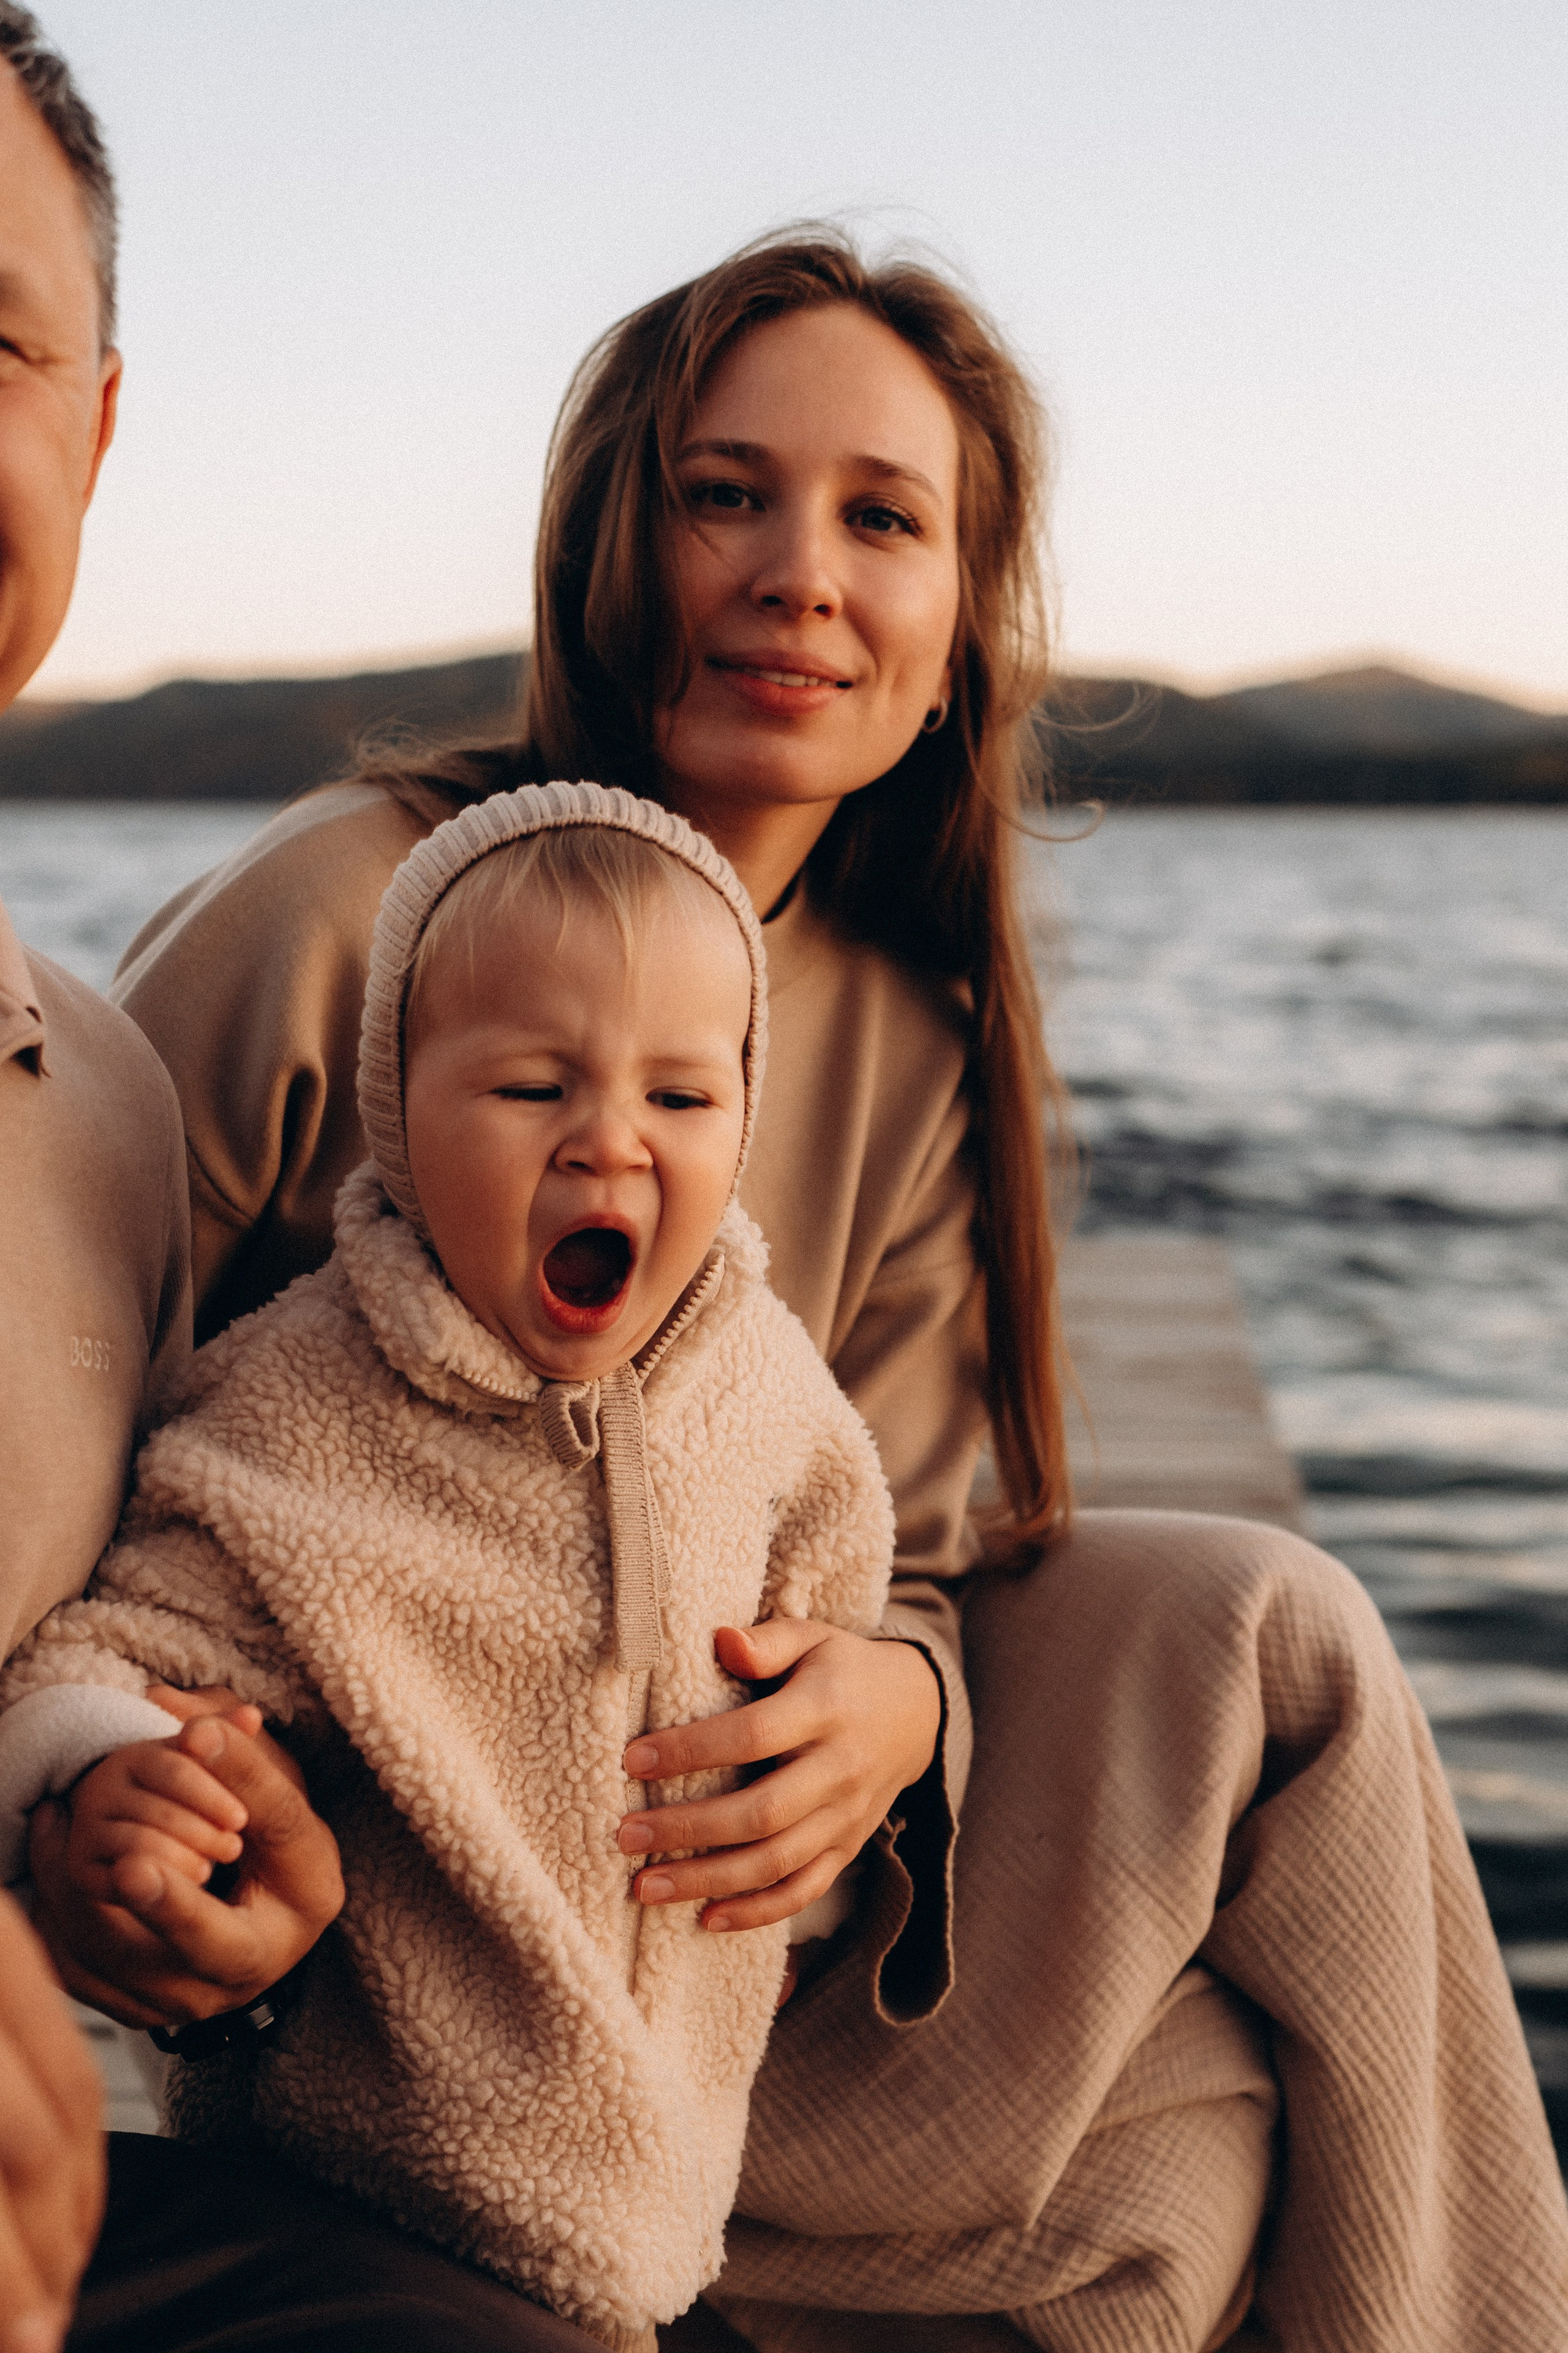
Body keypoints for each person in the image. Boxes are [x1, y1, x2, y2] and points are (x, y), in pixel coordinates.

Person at [50, 231, 1568, 2346]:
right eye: (723, 493)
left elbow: (915, 1545)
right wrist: (127, 1786)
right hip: (426, 1967)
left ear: (958, 625)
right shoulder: (354, 915)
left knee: (1274, 1660)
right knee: (1197, 2145)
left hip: (740, 1886)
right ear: (607, 542)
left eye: (886, 518)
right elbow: (58, 1426)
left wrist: (908, 1701)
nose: (803, 573)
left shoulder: (912, 1017)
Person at [3, 784, 897, 2352]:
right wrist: (117, 1769)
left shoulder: (765, 1384)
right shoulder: (303, 1409)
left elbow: (842, 1571)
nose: (608, 1140)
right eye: (533, 1084)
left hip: (672, 2182)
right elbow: (109, 1642)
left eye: (682, 1099)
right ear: (399, 1108)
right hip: (360, 2167)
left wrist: (863, 1716)